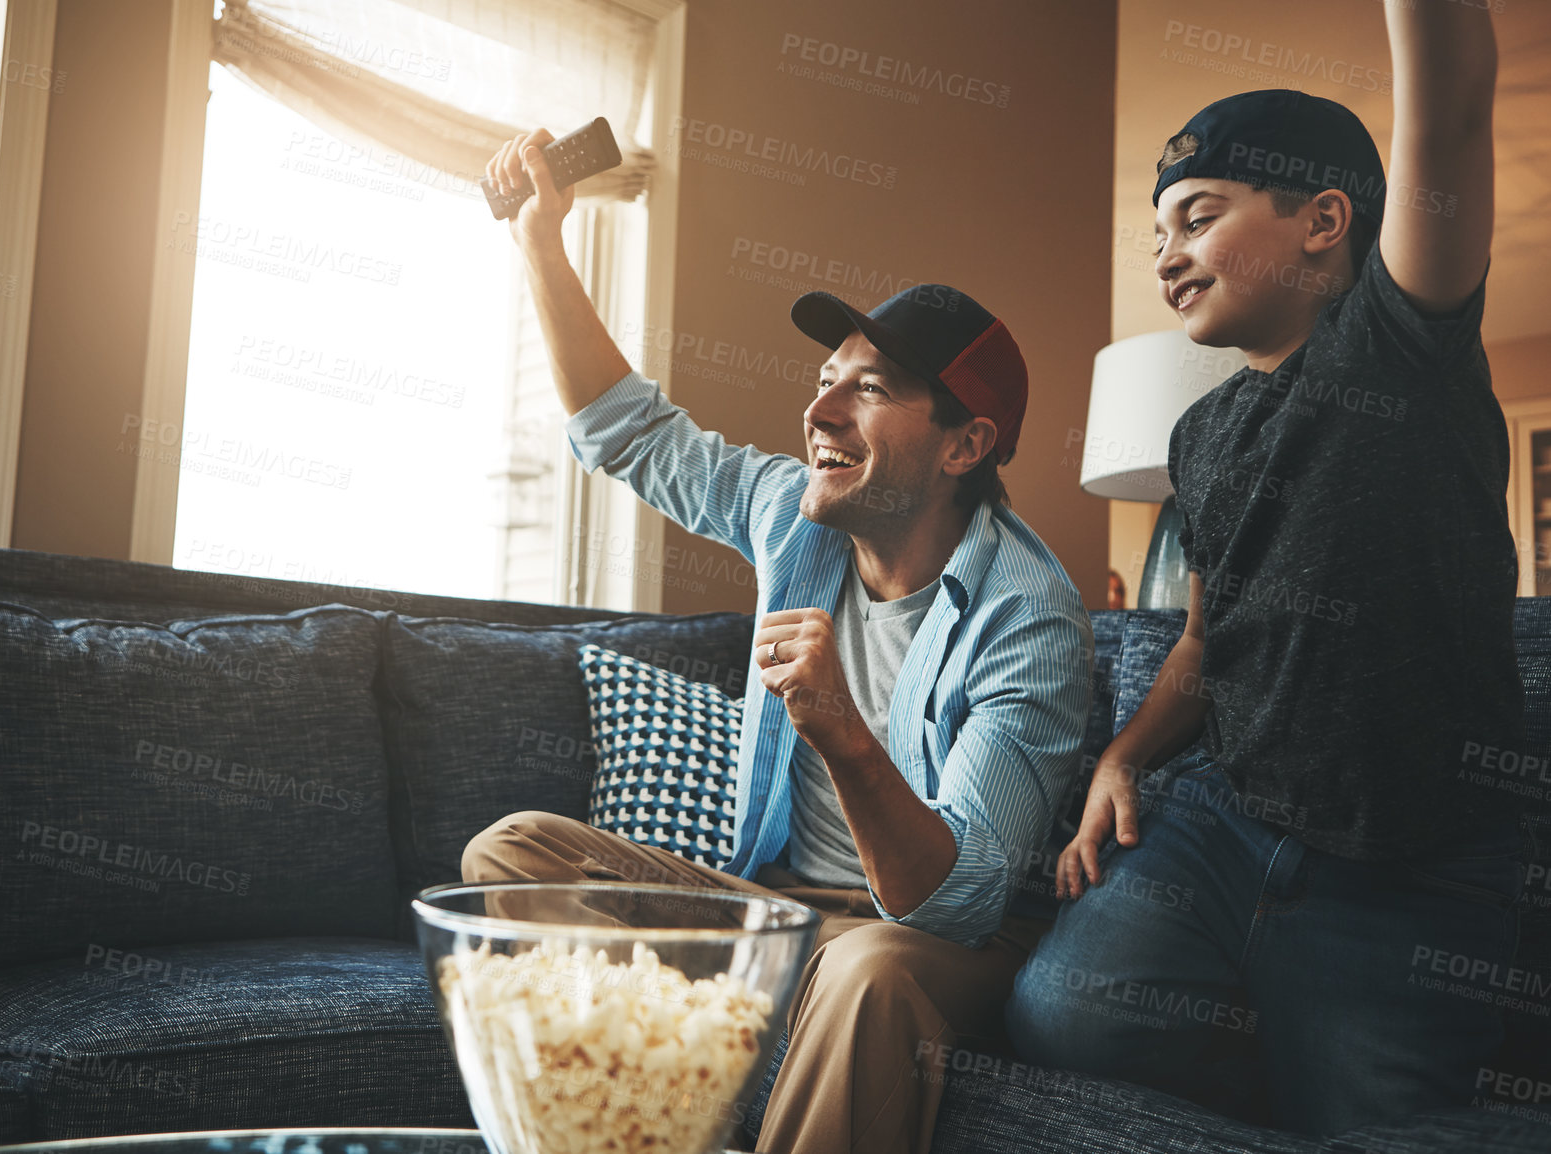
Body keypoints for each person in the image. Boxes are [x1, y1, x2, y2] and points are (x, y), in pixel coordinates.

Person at [460, 128, 1093, 1154]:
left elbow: (965, 897)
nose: (819, 408)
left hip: (926, 944)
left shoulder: (1030, 616)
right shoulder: (791, 514)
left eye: (870, 388)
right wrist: (542, 240)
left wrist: (840, 727)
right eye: (825, 376)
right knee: (517, 850)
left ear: (964, 445)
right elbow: (630, 432)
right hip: (776, 915)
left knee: (868, 968)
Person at [1006, 2, 1527, 1136]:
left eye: (1197, 215)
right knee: (1054, 1017)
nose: (1166, 252)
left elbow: (1447, 105)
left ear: (1323, 219)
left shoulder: (1401, 342)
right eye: (1157, 234)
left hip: (1407, 862)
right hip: (1222, 822)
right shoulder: (1199, 435)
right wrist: (1122, 758)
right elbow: (1205, 640)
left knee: (1376, 1119)